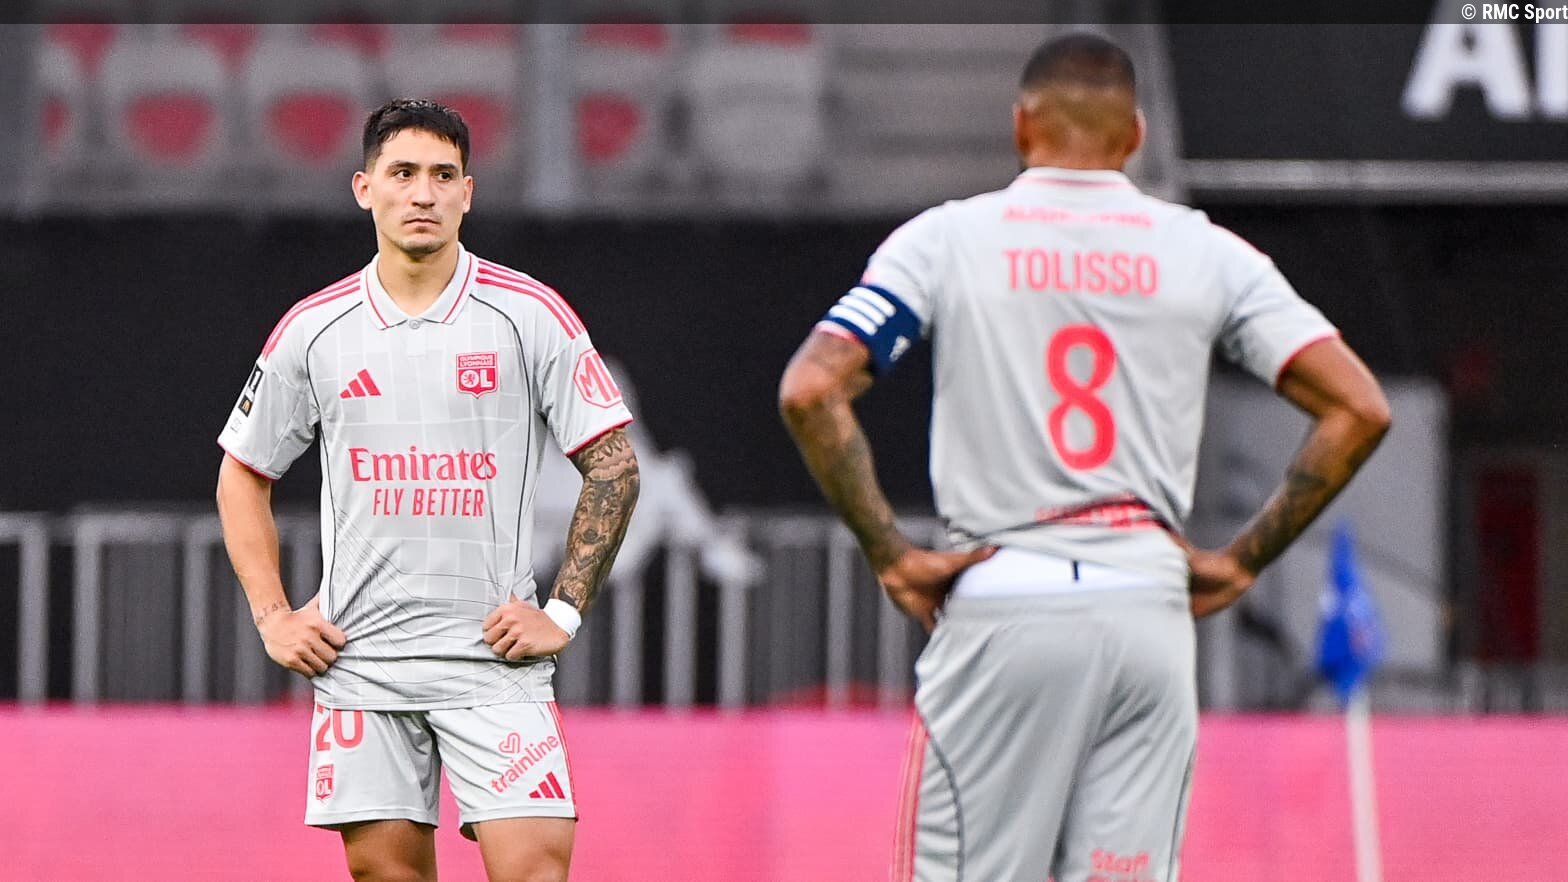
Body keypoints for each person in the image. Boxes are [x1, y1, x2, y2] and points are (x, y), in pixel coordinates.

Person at [778, 34, 1391, 882]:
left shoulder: (947, 239)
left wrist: (891, 553)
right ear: (1135, 135)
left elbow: (812, 389)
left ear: (1020, 125)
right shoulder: (1208, 251)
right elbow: (1359, 407)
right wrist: (1243, 560)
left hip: (1005, 598)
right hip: (1146, 610)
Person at [215, 99, 639, 882]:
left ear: (467, 194)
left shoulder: (528, 314)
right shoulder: (314, 329)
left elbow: (615, 465)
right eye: (402, 173)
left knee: (536, 871)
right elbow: (243, 472)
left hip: (493, 666)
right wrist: (273, 616)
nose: (423, 193)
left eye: (444, 176)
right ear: (364, 188)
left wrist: (562, 613)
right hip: (363, 666)